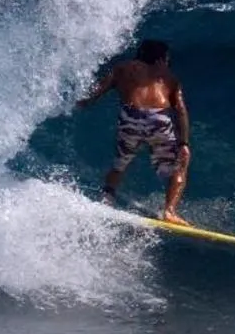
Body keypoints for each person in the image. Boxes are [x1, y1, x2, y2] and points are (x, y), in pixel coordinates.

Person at [77, 38, 191, 223]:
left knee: (121, 162)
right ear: (160, 58)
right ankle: (169, 211)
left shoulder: (121, 68)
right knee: (179, 165)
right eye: (166, 58)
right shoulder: (169, 77)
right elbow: (180, 110)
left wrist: (80, 102)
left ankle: (107, 199)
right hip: (159, 120)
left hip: (131, 117)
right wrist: (184, 143)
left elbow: (96, 92)